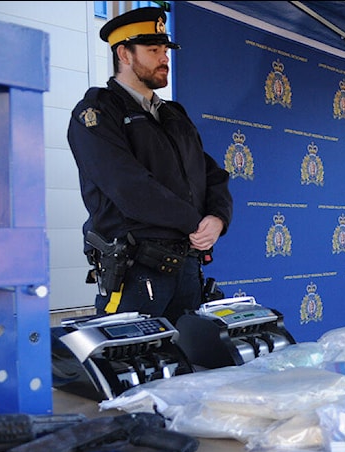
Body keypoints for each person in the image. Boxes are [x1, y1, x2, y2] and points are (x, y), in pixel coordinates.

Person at [67, 7, 232, 325]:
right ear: (124, 54)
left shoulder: (174, 114)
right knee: (133, 366)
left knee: (190, 366)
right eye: (153, 50)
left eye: (165, 49)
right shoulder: (97, 113)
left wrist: (218, 218)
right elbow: (128, 185)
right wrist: (195, 221)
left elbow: (212, 174)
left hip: (186, 267)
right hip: (136, 272)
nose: (164, 57)